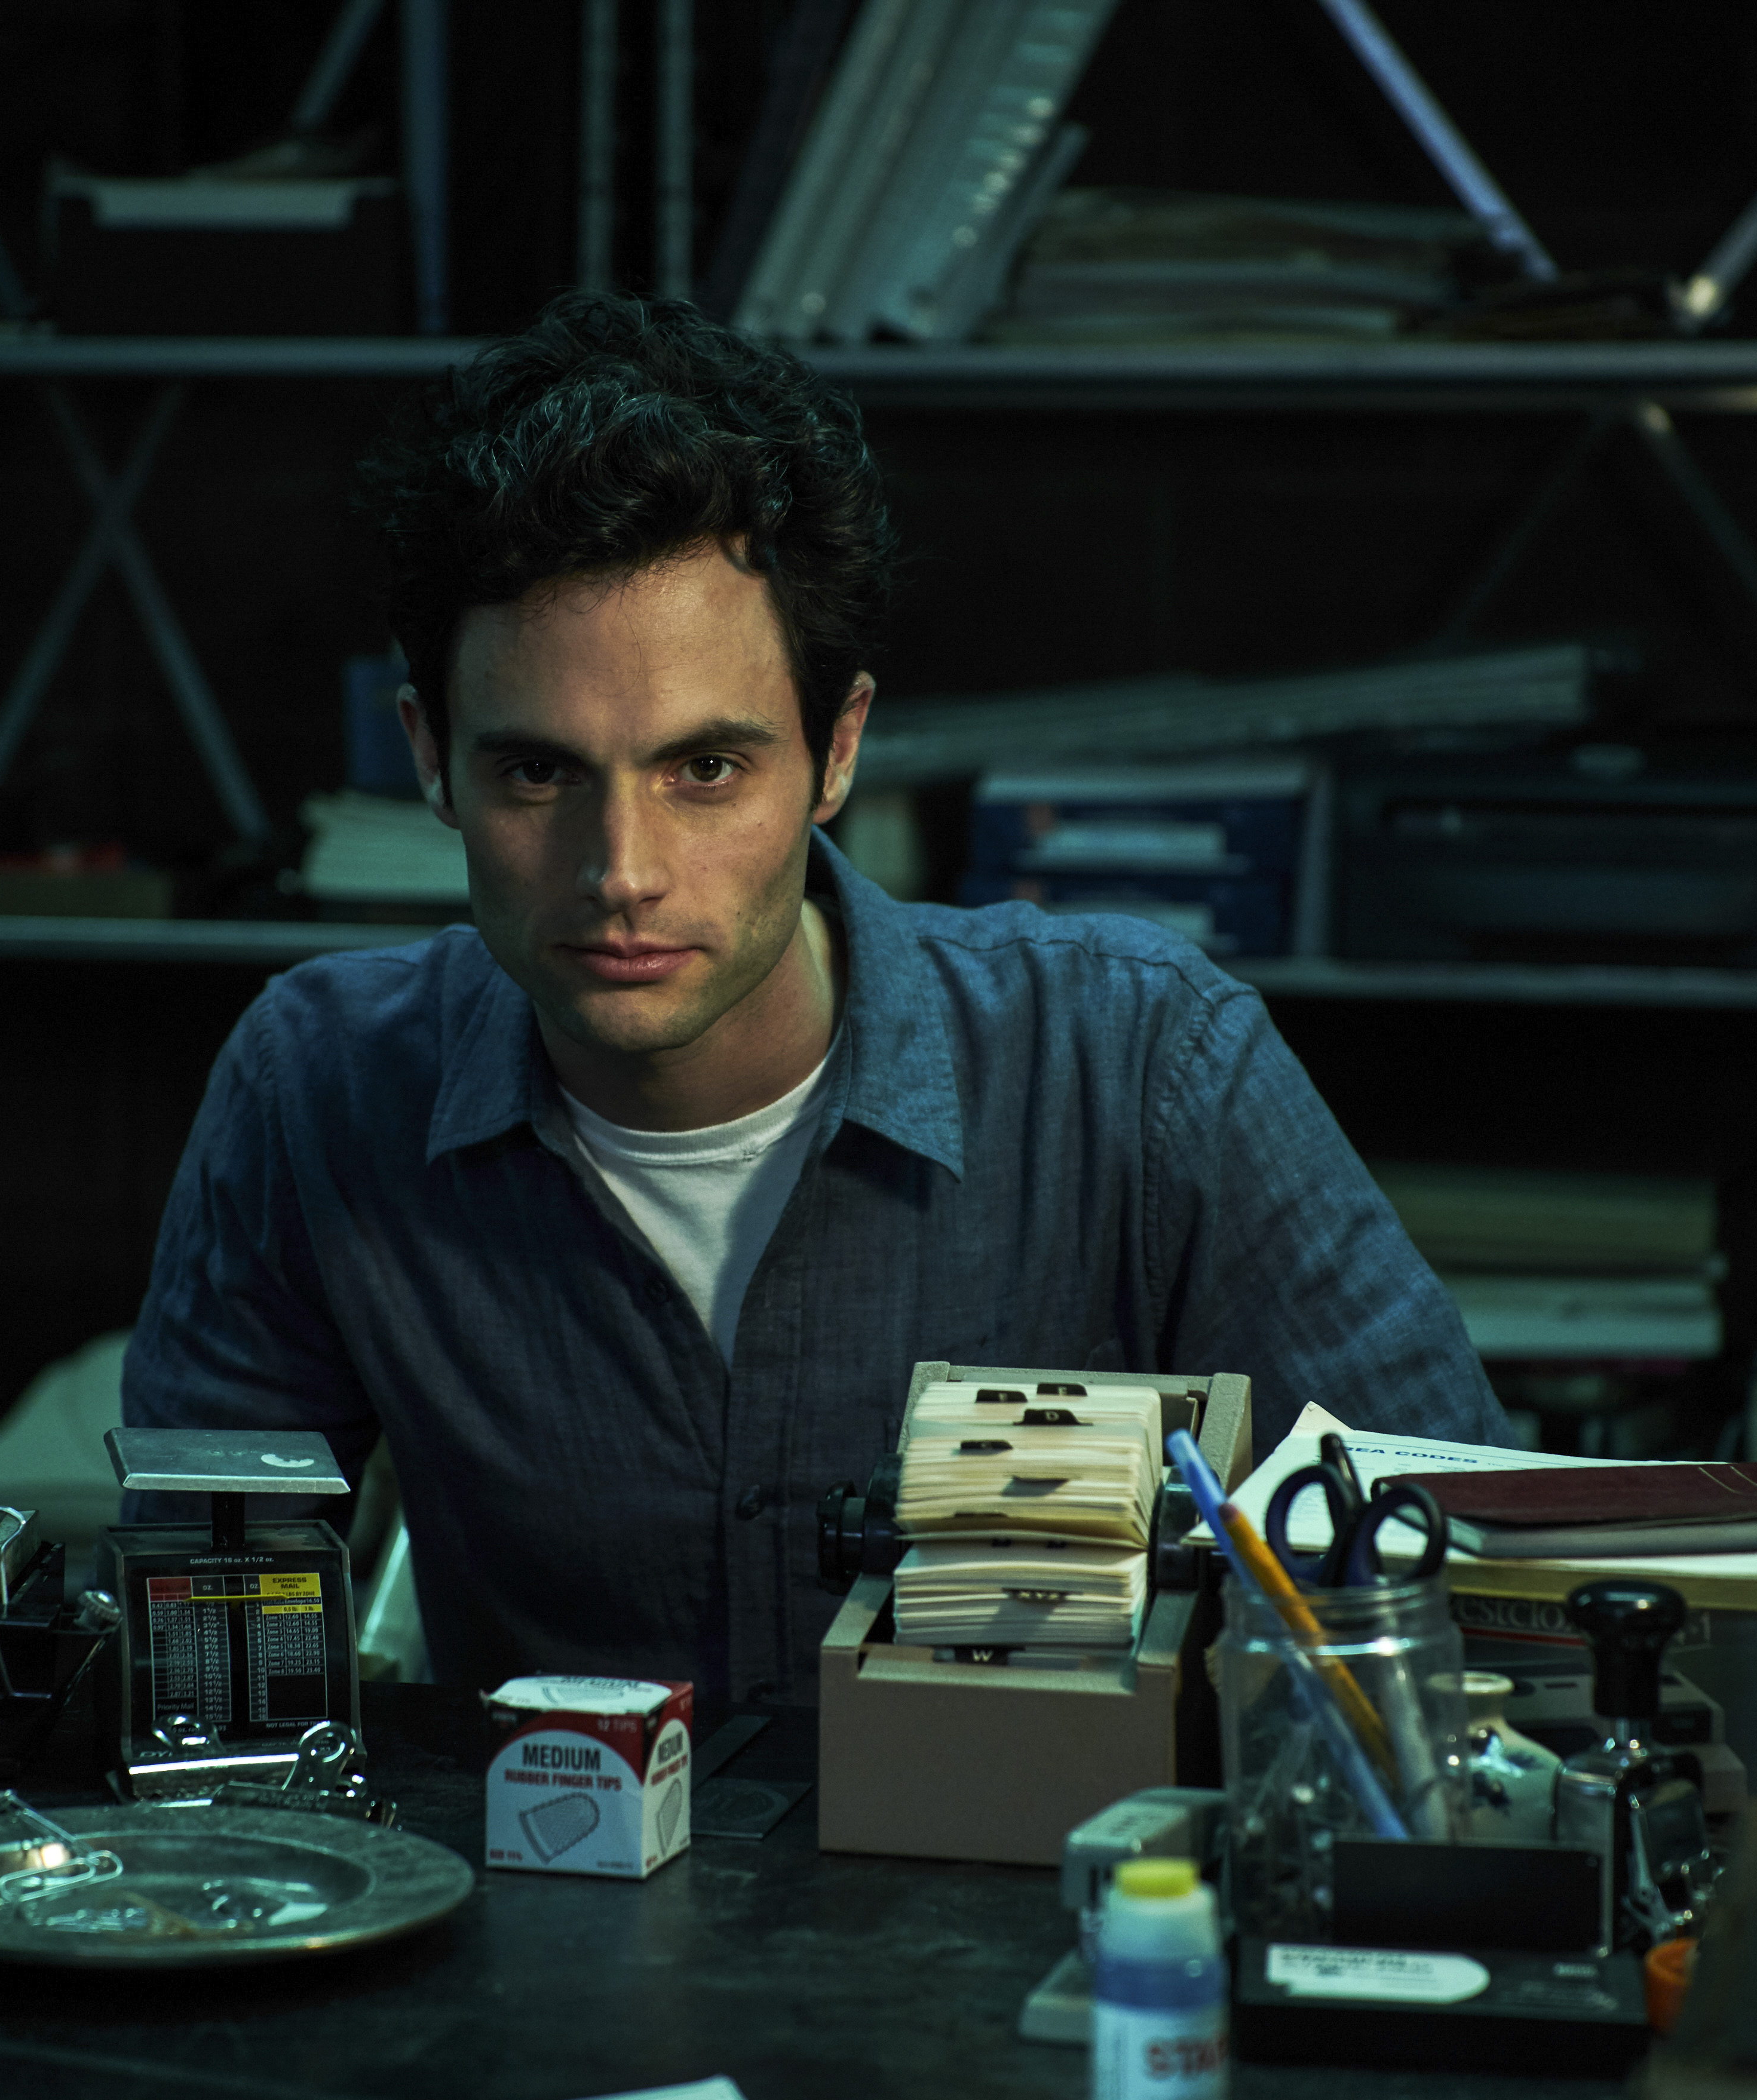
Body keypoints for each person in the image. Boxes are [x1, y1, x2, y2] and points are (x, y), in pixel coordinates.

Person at [119, 291, 1503, 1703]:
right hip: (551, 1899)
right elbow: (213, 1681)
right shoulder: (316, 1086)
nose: (622, 873)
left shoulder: (1138, 1062)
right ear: (430, 758)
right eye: (537, 773)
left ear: (836, 750)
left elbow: (1454, 1570)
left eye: (705, 770)